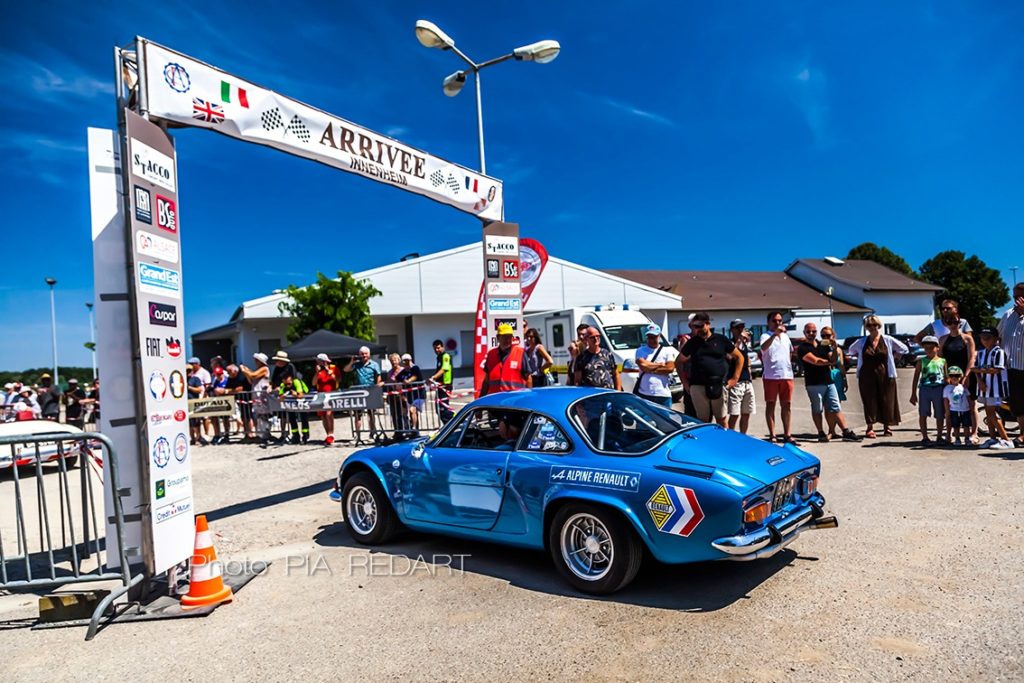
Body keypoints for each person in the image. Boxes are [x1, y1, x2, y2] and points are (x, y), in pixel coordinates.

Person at [847, 315, 908, 438]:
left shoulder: (887, 339)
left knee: (887, 399)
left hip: (885, 374)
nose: (872, 327)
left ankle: (887, 426)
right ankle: (870, 427)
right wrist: (858, 357)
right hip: (867, 375)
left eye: (874, 325)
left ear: (878, 325)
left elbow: (904, 349)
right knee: (869, 400)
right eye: (869, 325)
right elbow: (850, 350)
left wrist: (896, 356)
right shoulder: (862, 342)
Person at [797, 323, 860, 442]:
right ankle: (821, 432)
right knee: (817, 409)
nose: (811, 334)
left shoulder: (823, 345)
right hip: (814, 383)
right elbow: (816, 361)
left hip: (828, 381)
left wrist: (835, 348)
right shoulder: (802, 348)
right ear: (804, 333)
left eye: (814, 332)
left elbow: (833, 359)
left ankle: (845, 431)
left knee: (836, 406)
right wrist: (829, 362)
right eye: (808, 332)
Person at [677, 314, 743, 425]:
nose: (698, 329)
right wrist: (685, 382)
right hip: (698, 385)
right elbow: (679, 361)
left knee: (721, 419)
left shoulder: (721, 339)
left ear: (708, 324)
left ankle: (723, 442)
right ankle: (706, 442)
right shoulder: (693, 342)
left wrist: (735, 378)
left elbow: (739, 357)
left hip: (718, 385)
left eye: (700, 326)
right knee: (702, 420)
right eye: (695, 326)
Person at [759, 311, 796, 444]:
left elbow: (790, 353)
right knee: (771, 404)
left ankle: (787, 434)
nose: (778, 323)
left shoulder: (786, 337)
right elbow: (763, 347)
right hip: (771, 375)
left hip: (786, 375)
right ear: (769, 322)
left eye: (780, 321)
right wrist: (774, 335)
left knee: (787, 405)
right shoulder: (765, 335)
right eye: (774, 321)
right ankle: (772, 434)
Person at [940, 320, 978, 444]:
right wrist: (946, 377)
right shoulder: (943, 339)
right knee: (950, 407)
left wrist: (966, 376)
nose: (953, 325)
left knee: (970, 405)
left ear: (960, 324)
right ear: (946, 325)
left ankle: (974, 433)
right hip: (950, 377)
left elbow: (972, 357)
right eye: (950, 322)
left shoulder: (967, 338)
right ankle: (950, 434)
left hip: (966, 374)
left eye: (955, 322)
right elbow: (940, 360)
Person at [975, 327, 1013, 449]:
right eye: (982, 338)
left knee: (992, 414)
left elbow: (996, 369)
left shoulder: (999, 352)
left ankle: (1006, 439)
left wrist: (978, 370)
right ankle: (992, 438)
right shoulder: (980, 353)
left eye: (988, 338)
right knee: (988, 413)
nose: (985, 340)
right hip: (983, 388)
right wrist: (979, 380)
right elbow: (976, 369)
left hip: (995, 388)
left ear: (996, 339)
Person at [997, 282, 1024, 448]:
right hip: (1012, 368)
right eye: (1015, 297)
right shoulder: (1007, 315)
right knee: (1019, 404)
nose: (1018, 300)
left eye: (1021, 296)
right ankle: (1022, 433)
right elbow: (997, 336)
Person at [909, 336, 947, 444]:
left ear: (937, 348)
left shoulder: (942, 361)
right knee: (923, 413)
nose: (929, 350)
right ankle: (925, 437)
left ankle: (939, 436)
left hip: (939, 389)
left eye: (931, 347)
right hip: (925, 389)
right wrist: (913, 394)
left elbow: (946, 377)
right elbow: (916, 377)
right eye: (926, 348)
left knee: (940, 413)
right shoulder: (921, 361)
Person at [633, 324, 678, 408]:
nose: (652, 340)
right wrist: (660, 364)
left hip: (662, 394)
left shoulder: (666, 351)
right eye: (650, 337)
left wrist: (649, 367)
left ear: (659, 336)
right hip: (644, 393)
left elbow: (670, 368)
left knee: (664, 420)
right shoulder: (640, 350)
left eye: (654, 337)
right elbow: (642, 365)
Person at [481, 324, 532, 396]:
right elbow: (486, 380)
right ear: (498, 338)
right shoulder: (491, 354)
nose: (507, 340)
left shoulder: (520, 353)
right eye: (504, 337)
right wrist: (480, 398)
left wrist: (528, 396)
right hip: (495, 399)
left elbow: (528, 378)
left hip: (515, 399)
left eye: (509, 337)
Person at [344, 346, 383, 436]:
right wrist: (351, 362)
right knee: (358, 415)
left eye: (365, 353)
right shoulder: (357, 364)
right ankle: (358, 435)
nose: (364, 355)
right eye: (362, 354)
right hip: (359, 393)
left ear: (369, 354)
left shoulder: (374, 364)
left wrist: (377, 388)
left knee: (371, 414)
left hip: (371, 392)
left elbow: (378, 377)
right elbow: (346, 370)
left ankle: (372, 432)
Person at [726, 320, 756, 434]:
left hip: (746, 381)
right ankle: (730, 436)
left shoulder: (745, 343)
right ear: (732, 329)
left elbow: (746, 358)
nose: (740, 330)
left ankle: (743, 435)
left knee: (746, 412)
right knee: (734, 414)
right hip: (736, 382)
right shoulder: (730, 343)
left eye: (742, 327)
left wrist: (749, 372)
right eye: (737, 327)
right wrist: (738, 341)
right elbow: (729, 357)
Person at [821, 326, 848, 439]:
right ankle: (831, 430)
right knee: (828, 406)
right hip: (826, 376)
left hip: (837, 377)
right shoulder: (820, 348)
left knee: (836, 405)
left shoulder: (838, 349)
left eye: (828, 335)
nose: (826, 338)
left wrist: (844, 379)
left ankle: (834, 430)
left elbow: (841, 365)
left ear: (833, 336)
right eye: (823, 336)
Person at [241, 352, 272, 447]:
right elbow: (251, 379)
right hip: (256, 396)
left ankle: (266, 435)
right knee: (258, 415)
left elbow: (253, 375)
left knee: (264, 415)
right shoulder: (258, 370)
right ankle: (261, 434)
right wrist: (246, 372)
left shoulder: (264, 369)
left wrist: (245, 370)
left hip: (262, 396)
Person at [278, 372, 310, 444]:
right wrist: (282, 397)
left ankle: (305, 435)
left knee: (303, 417)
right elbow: (280, 397)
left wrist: (296, 395)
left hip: (303, 399)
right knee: (291, 418)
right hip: (291, 403)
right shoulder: (283, 385)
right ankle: (295, 436)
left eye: (289, 384)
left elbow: (301, 395)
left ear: (292, 380)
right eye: (286, 384)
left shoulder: (297, 382)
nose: (287, 386)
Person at [313, 353, 339, 445]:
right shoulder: (318, 370)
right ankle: (328, 434)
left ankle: (331, 434)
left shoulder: (333, 367)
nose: (317, 362)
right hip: (321, 395)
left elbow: (337, 380)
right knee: (323, 415)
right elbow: (313, 383)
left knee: (329, 414)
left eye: (319, 361)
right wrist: (317, 373)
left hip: (331, 394)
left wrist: (329, 371)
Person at [944, 366, 972, 445]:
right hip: (954, 410)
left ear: (961, 377)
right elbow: (946, 400)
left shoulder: (963, 387)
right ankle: (957, 439)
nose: (954, 378)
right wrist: (947, 410)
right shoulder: (947, 388)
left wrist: (971, 407)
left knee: (966, 425)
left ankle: (967, 439)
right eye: (952, 376)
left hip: (965, 409)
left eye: (957, 376)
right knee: (956, 426)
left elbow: (968, 398)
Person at [224, 364, 253, 441]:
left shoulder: (241, 376)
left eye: (229, 371)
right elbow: (228, 388)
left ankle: (250, 433)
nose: (228, 373)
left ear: (235, 370)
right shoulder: (230, 378)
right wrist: (230, 391)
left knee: (248, 416)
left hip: (247, 399)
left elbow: (239, 389)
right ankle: (246, 433)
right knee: (243, 417)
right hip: (238, 400)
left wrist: (230, 391)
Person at [429, 339, 454, 424]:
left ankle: (452, 424)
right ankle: (448, 426)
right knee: (439, 409)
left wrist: (433, 377)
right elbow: (438, 370)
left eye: (438, 348)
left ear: (442, 347)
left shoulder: (445, 356)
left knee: (443, 409)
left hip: (445, 385)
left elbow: (444, 369)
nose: (437, 350)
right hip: (440, 386)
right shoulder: (439, 357)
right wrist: (432, 379)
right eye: (435, 348)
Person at [398, 354, 425, 430]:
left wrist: (409, 381)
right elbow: (397, 378)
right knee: (410, 412)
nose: (406, 363)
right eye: (404, 361)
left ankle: (414, 428)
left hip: (418, 394)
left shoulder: (415, 368)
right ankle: (413, 427)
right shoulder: (403, 371)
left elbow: (416, 376)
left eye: (408, 360)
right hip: (409, 395)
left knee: (412, 410)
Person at [384, 352, 408, 430]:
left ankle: (407, 430)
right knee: (395, 415)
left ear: (399, 360)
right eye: (391, 360)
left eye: (395, 360)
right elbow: (387, 384)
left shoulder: (403, 370)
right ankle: (397, 431)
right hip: (393, 397)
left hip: (403, 396)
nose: (393, 362)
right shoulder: (389, 372)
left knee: (404, 414)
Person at [186, 366, 207, 446]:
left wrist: (189, 388)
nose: (188, 372)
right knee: (190, 423)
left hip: (194, 402)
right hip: (185, 403)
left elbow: (200, 389)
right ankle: (192, 438)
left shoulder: (195, 379)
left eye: (190, 370)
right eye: (187, 371)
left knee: (196, 422)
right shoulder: (182, 379)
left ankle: (198, 437)